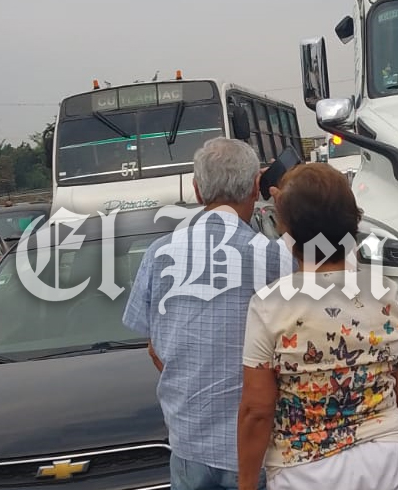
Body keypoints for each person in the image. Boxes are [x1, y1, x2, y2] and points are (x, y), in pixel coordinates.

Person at [237, 163, 398, 490]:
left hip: (303, 466)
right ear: (353, 222)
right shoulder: (387, 293)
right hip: (385, 455)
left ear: (287, 230)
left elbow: (257, 409)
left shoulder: (269, 305)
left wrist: (245, 483)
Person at [123, 137, 295, 490]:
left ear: (197, 190)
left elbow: (155, 348)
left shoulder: (158, 253)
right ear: (256, 188)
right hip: (258, 451)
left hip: (188, 446)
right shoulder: (274, 257)